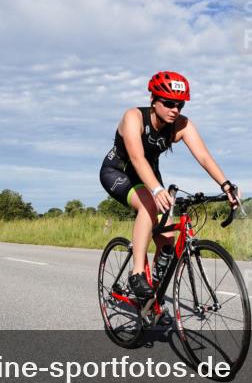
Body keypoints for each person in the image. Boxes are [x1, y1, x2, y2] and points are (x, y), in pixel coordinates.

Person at [99, 71, 239, 303]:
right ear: (153, 100)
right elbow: (136, 157)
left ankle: (152, 299)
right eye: (169, 103)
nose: (175, 109)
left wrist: (226, 186)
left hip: (150, 177)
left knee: (166, 238)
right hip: (118, 172)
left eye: (180, 105)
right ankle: (136, 274)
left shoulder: (181, 125)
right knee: (149, 205)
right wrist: (155, 189)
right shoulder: (133, 117)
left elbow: (203, 156)